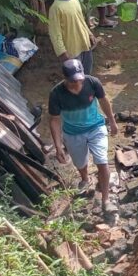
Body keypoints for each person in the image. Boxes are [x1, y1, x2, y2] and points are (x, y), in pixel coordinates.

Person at [49, 58, 119, 215]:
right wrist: (58, 146)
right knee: (80, 162)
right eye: (73, 81)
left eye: (79, 79)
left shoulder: (92, 82)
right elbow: (54, 120)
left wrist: (112, 121)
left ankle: (105, 200)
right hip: (72, 133)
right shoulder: (56, 94)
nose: (77, 84)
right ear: (65, 78)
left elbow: (104, 101)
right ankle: (85, 179)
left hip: (96, 127)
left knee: (102, 161)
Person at [48, 0, 96, 75]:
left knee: (87, 74)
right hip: (71, 50)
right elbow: (54, 33)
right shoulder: (55, 8)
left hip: (84, 44)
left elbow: (81, 20)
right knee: (76, 77)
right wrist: (62, 52)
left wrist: (89, 34)